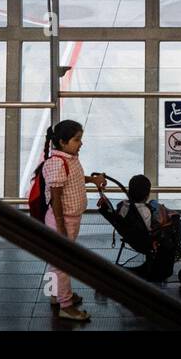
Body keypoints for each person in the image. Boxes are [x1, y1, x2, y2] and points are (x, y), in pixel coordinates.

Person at [39, 120, 105, 322]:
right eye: (77, 140)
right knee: (62, 263)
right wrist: (60, 226)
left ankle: (55, 295)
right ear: (62, 142)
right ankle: (65, 306)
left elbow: (74, 178)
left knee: (56, 260)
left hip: (70, 219)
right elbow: (56, 197)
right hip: (62, 220)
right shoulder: (57, 163)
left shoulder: (69, 159)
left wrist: (92, 180)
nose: (81, 143)